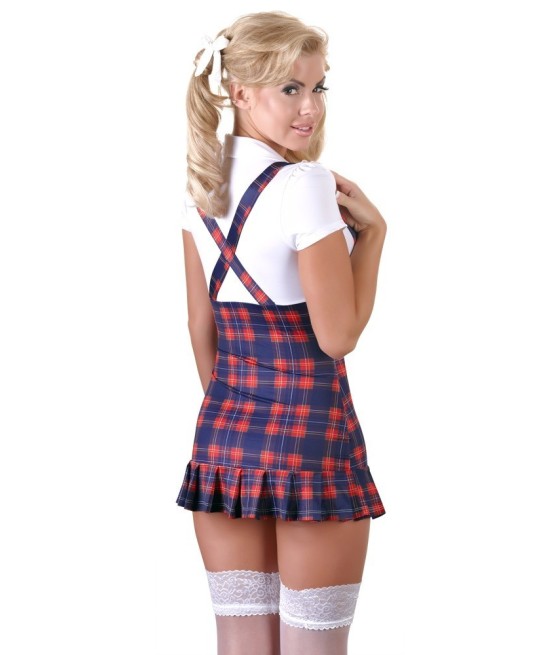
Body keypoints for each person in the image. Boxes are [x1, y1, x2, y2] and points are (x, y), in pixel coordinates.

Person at [176, 11, 387, 655]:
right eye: (290, 88)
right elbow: (337, 336)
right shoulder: (305, 183)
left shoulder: (201, 183)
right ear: (240, 92)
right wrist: (374, 237)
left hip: (224, 441)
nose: (310, 107)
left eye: (318, 87)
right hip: (310, 444)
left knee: (241, 644)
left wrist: (242, 413)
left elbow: (201, 327)